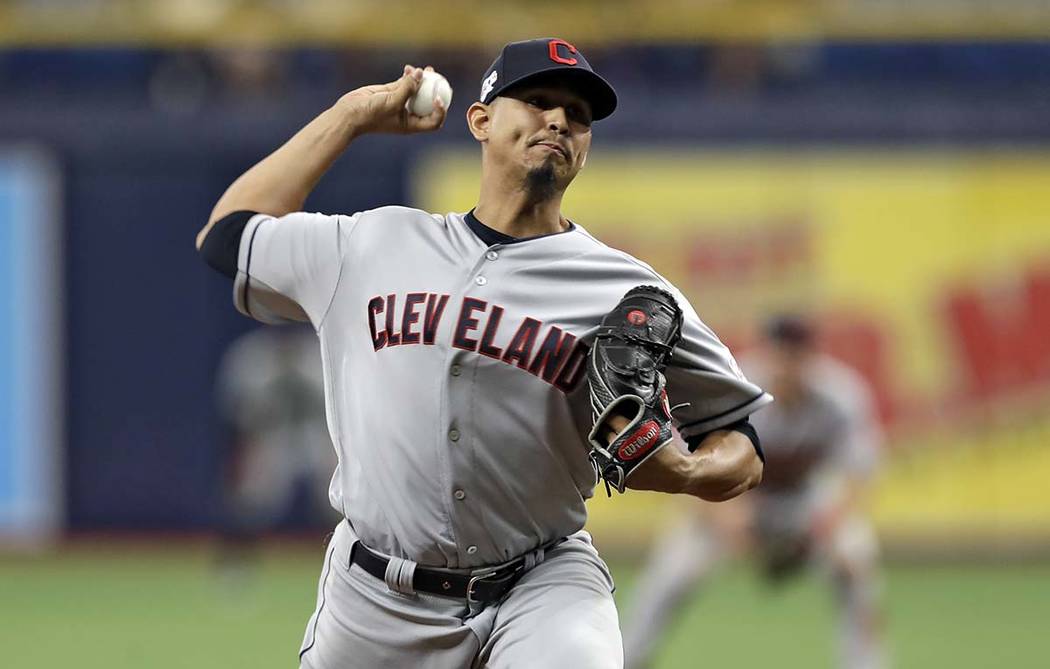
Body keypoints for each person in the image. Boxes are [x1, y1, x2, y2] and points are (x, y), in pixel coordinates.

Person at [196, 37, 771, 669]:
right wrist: (352, 115)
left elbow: (739, 438)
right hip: (373, 597)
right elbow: (227, 236)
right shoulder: (371, 244)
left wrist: (690, 472)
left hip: (541, 584)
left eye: (577, 116)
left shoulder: (625, 289)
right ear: (481, 119)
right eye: (537, 101)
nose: (558, 120)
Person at [622, 315, 887, 669]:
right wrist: (726, 518)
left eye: (796, 357)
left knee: (856, 558)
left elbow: (858, 472)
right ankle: (627, 659)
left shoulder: (840, 394)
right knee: (671, 573)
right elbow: (685, 464)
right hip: (727, 498)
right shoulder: (731, 386)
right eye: (780, 355)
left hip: (800, 504)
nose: (787, 366)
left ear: (812, 358)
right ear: (765, 352)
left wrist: (829, 524)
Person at [214, 325, 337, 579]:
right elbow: (237, 418)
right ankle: (236, 565)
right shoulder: (251, 356)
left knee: (338, 497)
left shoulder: (319, 351)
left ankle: (346, 563)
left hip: (313, 436)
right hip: (272, 437)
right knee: (251, 496)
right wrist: (239, 456)